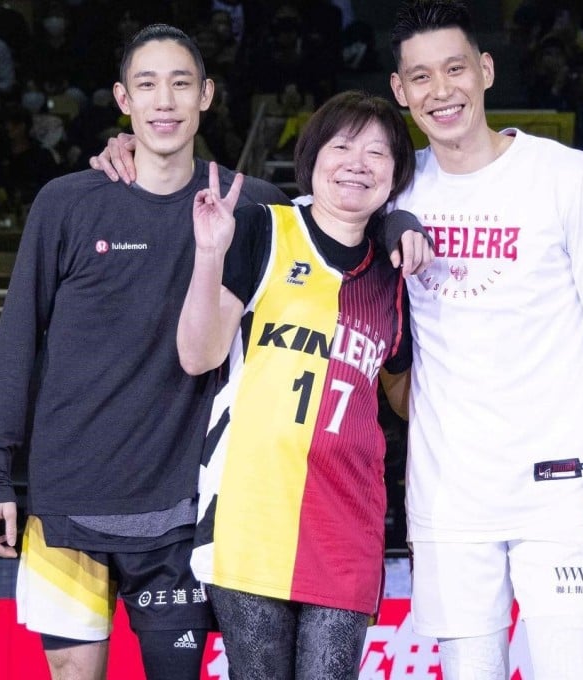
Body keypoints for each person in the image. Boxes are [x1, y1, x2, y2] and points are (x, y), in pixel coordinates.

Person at [0, 24, 289, 680]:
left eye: (181, 83)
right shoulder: (66, 203)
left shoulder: (254, 207)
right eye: (147, 85)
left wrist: (400, 224)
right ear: (124, 99)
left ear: (206, 95)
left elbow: (344, 229)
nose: (164, 100)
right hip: (67, 507)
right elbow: (16, 343)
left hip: (180, 513)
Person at [386, 2, 583, 678]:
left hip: (561, 492)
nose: (441, 92)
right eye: (421, 77)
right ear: (399, 91)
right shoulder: (393, 187)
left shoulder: (567, 177)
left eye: (455, 70)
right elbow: (300, 216)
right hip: (449, 498)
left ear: (487, 70)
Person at [178, 91, 419, 679]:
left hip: (348, 526)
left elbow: (404, 395)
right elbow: (197, 355)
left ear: (396, 175)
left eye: (376, 152)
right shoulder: (266, 229)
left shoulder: (394, 274)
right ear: (311, 160)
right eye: (341, 145)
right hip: (252, 514)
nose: (357, 162)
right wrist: (210, 256)